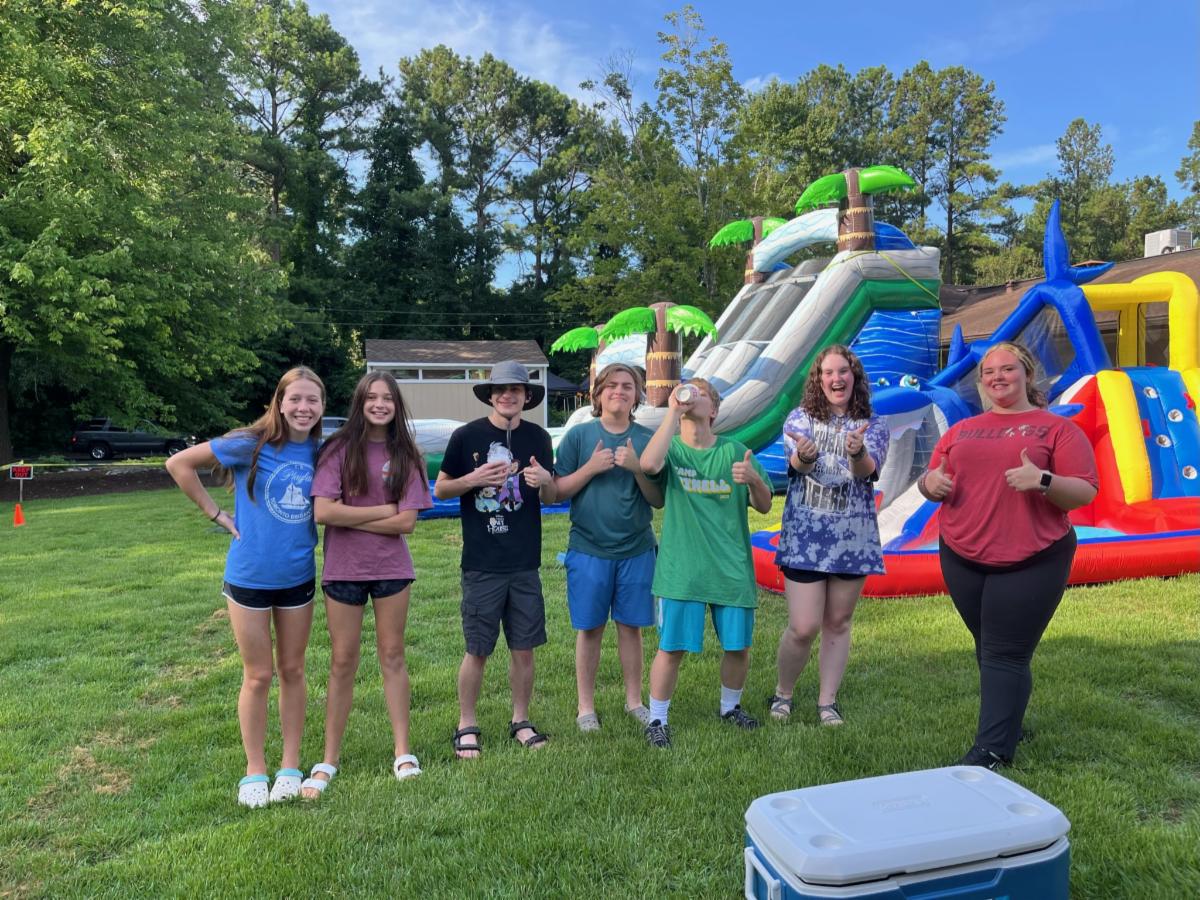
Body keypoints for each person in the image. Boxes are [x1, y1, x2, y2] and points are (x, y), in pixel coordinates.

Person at [918, 341, 1097, 769]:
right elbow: (932, 477)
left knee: (1004, 651)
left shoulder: (1056, 429)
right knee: (990, 647)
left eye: (1007, 369)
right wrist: (930, 486)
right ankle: (1009, 722)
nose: (997, 377)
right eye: (989, 372)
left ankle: (991, 751)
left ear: (1027, 374)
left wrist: (1044, 479)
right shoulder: (962, 430)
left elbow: (1084, 491)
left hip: (1033, 556)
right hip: (961, 553)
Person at [165, 367, 325, 808]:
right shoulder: (248, 443)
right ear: (280, 402)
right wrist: (217, 514)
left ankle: (290, 765)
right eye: (296, 399)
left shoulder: (322, 450)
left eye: (313, 400)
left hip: (298, 578)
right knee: (258, 675)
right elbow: (178, 464)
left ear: (322, 407)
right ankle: (255, 769)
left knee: (293, 671)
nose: (304, 408)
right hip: (249, 577)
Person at [300, 372, 433, 800]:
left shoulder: (407, 453)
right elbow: (324, 512)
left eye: (387, 398)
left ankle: (403, 752)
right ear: (360, 402)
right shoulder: (337, 449)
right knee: (342, 661)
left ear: (397, 405)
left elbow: (407, 522)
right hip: (343, 569)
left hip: (391, 568)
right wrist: (382, 511)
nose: (379, 404)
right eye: (371, 397)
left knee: (393, 655)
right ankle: (329, 759)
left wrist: (352, 513)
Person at [638, 378, 773, 748]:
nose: (691, 395)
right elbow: (648, 464)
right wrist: (672, 412)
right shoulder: (672, 448)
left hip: (731, 568)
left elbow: (764, 504)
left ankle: (730, 708)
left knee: (738, 646)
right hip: (683, 569)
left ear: (713, 410)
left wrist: (753, 481)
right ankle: (657, 719)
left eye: (701, 393)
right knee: (672, 647)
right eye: (687, 390)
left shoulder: (735, 451)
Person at [434, 361, 556, 758]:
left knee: (524, 648)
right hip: (482, 563)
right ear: (490, 395)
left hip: (524, 563)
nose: (507, 395)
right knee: (478, 648)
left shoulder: (538, 438)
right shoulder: (466, 436)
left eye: (515, 390)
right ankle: (466, 723)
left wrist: (545, 482)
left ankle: (521, 719)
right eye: (500, 389)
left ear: (526, 396)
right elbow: (441, 490)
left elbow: (551, 495)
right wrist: (475, 479)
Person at [769, 345, 889, 726]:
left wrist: (857, 452)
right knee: (803, 626)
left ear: (855, 377)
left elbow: (867, 471)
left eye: (843, 371)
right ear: (818, 380)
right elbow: (798, 466)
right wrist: (805, 455)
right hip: (805, 539)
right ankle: (783, 693)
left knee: (838, 622)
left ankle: (827, 702)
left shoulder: (873, 424)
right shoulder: (800, 419)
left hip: (852, 539)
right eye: (829, 373)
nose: (837, 379)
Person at [553, 363, 663, 732]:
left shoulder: (646, 438)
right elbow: (555, 492)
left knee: (631, 627)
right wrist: (590, 468)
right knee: (590, 629)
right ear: (598, 394)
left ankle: (634, 701)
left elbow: (658, 499)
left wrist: (636, 468)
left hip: (636, 548)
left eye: (627, 386)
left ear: (637, 395)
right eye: (611, 385)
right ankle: (586, 708)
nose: (619, 391)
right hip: (588, 548)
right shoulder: (579, 436)